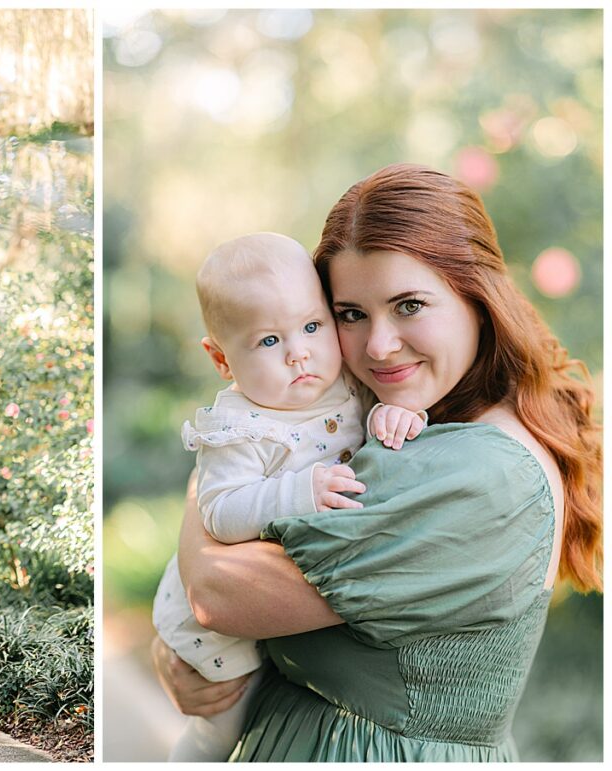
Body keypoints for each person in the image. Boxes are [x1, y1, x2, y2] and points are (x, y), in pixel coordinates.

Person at [151, 163, 602, 761]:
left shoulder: (483, 472)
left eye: (409, 305)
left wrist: (209, 481)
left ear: (478, 297)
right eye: (350, 314)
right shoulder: (412, 415)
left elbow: (217, 594)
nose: (378, 346)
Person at [152, 232, 424, 761]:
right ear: (221, 359)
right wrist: (299, 491)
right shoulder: (240, 427)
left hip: (266, 598)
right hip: (211, 626)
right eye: (269, 341)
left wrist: (395, 413)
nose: (300, 353)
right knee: (222, 727)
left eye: (312, 325)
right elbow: (221, 513)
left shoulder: (345, 381)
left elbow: (368, 425)